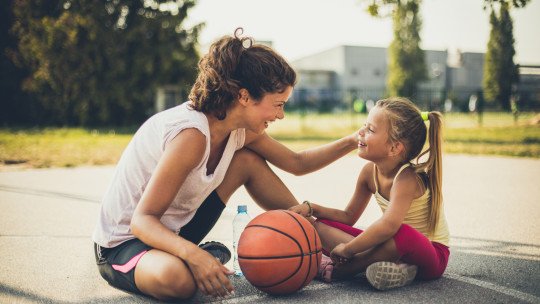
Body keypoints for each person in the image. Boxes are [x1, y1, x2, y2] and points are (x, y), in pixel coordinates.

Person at [92, 28, 358, 301]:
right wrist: (195, 256)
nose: (281, 115)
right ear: (244, 97)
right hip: (125, 243)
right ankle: (199, 257)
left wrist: (352, 141)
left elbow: (297, 163)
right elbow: (142, 221)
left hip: (176, 231)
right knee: (177, 281)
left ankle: (339, 248)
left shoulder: (240, 130)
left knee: (247, 161)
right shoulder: (191, 135)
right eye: (277, 105)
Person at [290, 97, 449, 290]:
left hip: (430, 254)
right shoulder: (368, 172)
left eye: (370, 130)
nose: (361, 132)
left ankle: (344, 269)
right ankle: (394, 268)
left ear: (394, 147)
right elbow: (348, 217)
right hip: (389, 247)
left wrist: (348, 250)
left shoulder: (407, 178)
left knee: (402, 233)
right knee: (320, 224)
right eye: (364, 126)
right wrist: (312, 208)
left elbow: (389, 225)